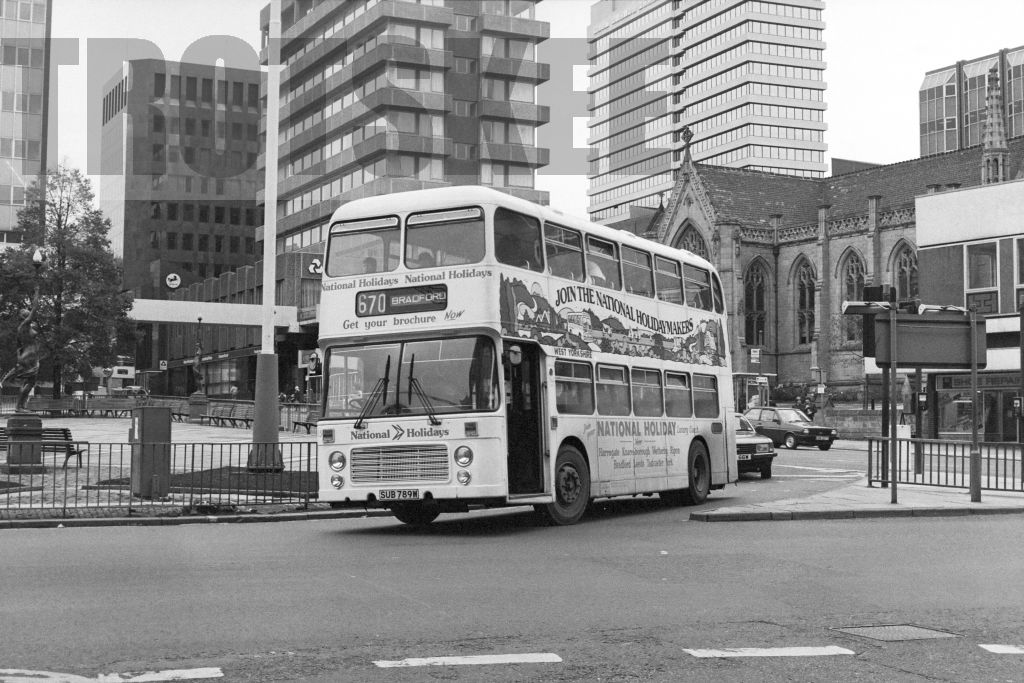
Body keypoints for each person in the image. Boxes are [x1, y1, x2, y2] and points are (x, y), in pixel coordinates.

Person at [0, 291, 41, 412]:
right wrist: (37, 293)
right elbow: (34, 309)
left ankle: (21, 407)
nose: (29, 313)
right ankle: (19, 407)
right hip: (29, 356)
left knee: (28, 382)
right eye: (27, 313)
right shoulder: (25, 325)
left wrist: (20, 357)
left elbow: (18, 346)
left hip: (27, 356)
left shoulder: (22, 328)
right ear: (24, 316)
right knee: (30, 382)